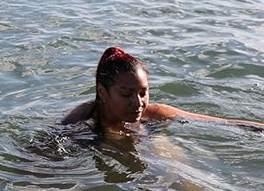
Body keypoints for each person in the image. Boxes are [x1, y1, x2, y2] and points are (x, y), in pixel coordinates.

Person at [61, 47, 264, 131]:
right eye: (126, 93)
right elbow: (37, 157)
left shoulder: (154, 114)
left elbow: (224, 124)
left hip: (149, 147)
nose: (138, 103)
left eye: (143, 92)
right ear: (103, 92)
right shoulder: (82, 120)